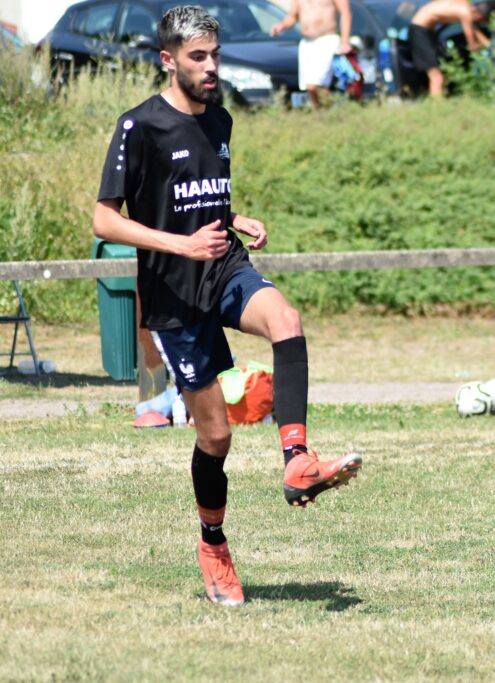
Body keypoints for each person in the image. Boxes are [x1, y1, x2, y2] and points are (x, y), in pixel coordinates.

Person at [93, 5, 363, 607]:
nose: (211, 66)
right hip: (172, 292)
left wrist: (232, 219)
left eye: (214, 54)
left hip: (224, 267)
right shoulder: (139, 127)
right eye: (198, 57)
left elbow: (201, 196)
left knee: (286, 321)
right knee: (216, 439)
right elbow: (105, 218)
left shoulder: (221, 120)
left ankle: (296, 459)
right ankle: (213, 545)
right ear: (168, 60)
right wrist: (181, 242)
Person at [271, 0, 353, 109]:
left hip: (327, 40)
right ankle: (321, 114)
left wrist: (344, 41)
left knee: (314, 85)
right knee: (309, 87)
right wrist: (282, 25)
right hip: (307, 43)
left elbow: (345, 12)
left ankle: (336, 109)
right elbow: (292, 16)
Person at [408, 0, 495, 98]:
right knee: (437, 77)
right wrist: (483, 47)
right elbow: (472, 45)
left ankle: (438, 103)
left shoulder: (465, 7)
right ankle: (437, 108)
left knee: (440, 75)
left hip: (427, 31)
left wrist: (490, 45)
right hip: (420, 31)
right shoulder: (465, 12)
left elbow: (474, 30)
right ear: (479, 16)